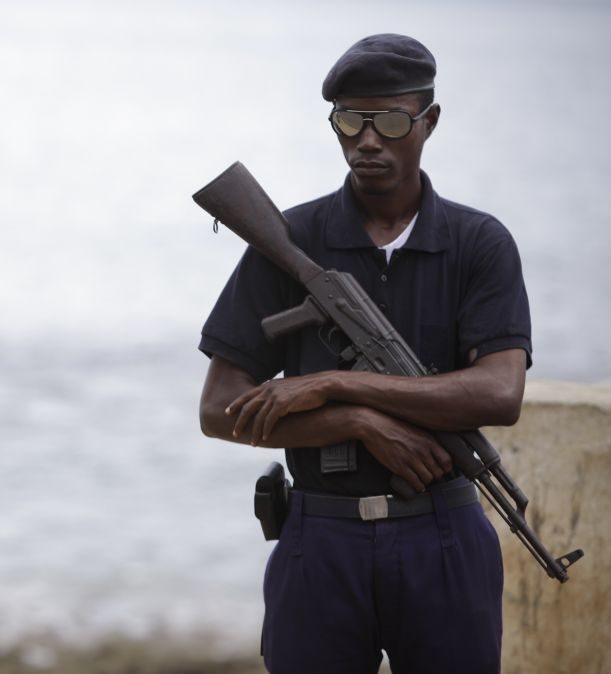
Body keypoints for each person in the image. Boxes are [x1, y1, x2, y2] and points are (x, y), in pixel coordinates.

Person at [197, 34, 531, 674]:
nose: (367, 140)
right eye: (349, 120)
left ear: (429, 122)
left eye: (391, 121)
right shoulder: (288, 240)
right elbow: (217, 409)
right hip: (320, 538)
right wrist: (357, 424)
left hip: (444, 534)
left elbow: (499, 395)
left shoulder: (478, 243)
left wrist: (337, 387)